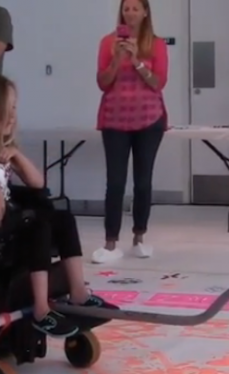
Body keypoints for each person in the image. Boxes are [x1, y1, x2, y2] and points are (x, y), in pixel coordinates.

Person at [0, 74, 117, 337]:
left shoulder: (1, 143)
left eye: (14, 107)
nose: (13, 115)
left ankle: (78, 292)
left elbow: (37, 183)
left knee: (63, 218)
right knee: (38, 227)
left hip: (2, 208)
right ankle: (40, 309)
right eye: (7, 108)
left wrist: (16, 154)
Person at [92, 0, 168, 264]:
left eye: (136, 8)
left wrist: (136, 61)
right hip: (114, 120)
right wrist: (116, 59)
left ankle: (139, 238)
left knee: (143, 182)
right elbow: (102, 82)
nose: (130, 13)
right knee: (115, 182)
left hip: (149, 120)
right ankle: (110, 242)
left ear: (145, 12)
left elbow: (158, 83)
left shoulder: (156, 44)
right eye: (126, 8)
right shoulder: (107, 42)